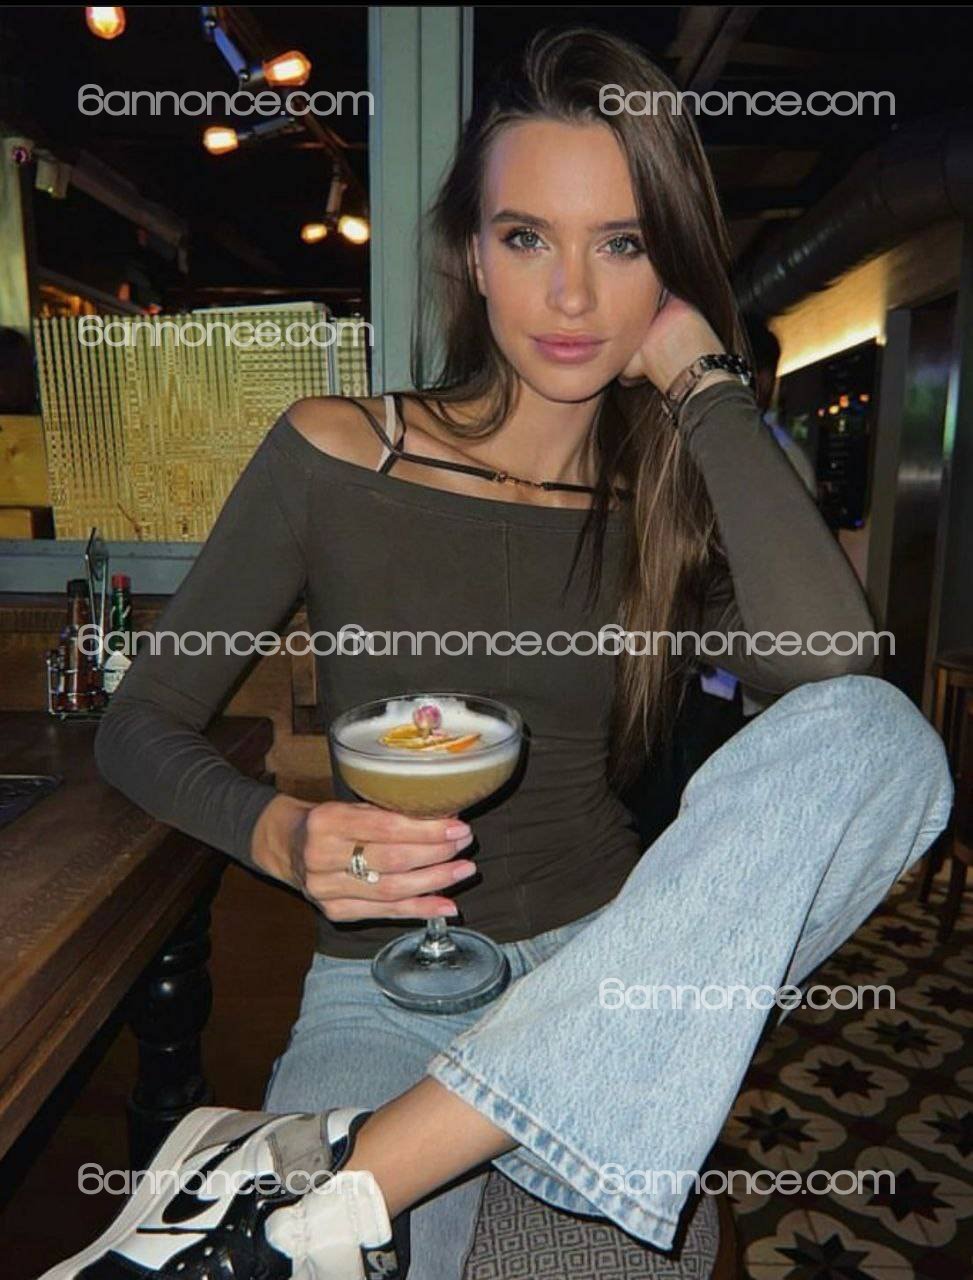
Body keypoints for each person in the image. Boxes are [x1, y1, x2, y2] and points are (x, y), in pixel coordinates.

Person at [45, 26, 953, 1280]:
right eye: (527, 237)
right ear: (472, 255)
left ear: (670, 273)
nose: (570, 297)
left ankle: (341, 1182)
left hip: (606, 968)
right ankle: (380, 1172)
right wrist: (280, 834)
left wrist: (702, 378)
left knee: (884, 737)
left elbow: (834, 656)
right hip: (387, 981)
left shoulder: (662, 514)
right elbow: (138, 719)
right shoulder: (337, 452)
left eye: (620, 244)